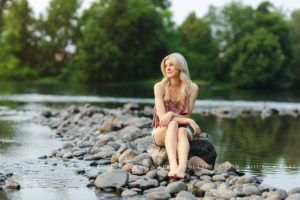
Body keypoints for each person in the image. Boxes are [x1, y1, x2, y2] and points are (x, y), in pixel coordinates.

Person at [151, 52, 202, 179]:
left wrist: (173, 114)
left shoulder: (192, 88)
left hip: (183, 129)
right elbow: (164, 119)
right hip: (161, 130)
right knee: (173, 124)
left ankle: (182, 167)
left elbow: (186, 116)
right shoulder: (159, 87)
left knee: (182, 131)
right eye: (166, 65)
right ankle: (173, 166)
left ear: (180, 67)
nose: (167, 68)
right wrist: (189, 121)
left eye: (171, 65)